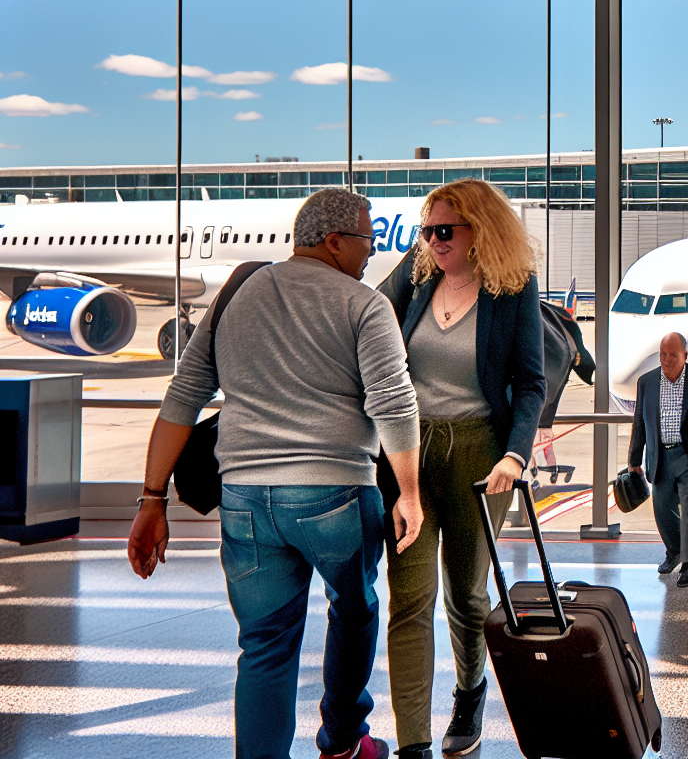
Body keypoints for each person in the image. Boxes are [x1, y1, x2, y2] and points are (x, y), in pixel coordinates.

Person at [127, 188, 423, 759]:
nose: (368, 255)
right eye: (365, 241)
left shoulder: (238, 294)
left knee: (262, 645)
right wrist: (408, 491)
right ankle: (342, 739)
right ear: (335, 241)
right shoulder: (364, 306)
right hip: (334, 491)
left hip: (244, 498)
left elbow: (184, 394)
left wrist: (151, 498)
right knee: (356, 610)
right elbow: (394, 404)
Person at [380, 179, 546, 759]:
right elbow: (367, 317)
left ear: (481, 231)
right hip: (410, 451)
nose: (432, 241)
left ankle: (470, 692)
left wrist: (516, 453)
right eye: (427, 231)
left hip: (482, 451)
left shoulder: (513, 288)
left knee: (466, 595)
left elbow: (530, 383)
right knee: (410, 596)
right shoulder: (418, 271)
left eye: (444, 231)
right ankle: (413, 742)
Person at [630, 332, 688, 587]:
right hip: (660, 455)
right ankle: (674, 551)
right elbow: (639, 423)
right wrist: (634, 459)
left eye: (673, 354)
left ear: (685, 355)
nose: (667, 359)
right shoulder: (647, 382)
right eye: (663, 354)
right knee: (662, 509)